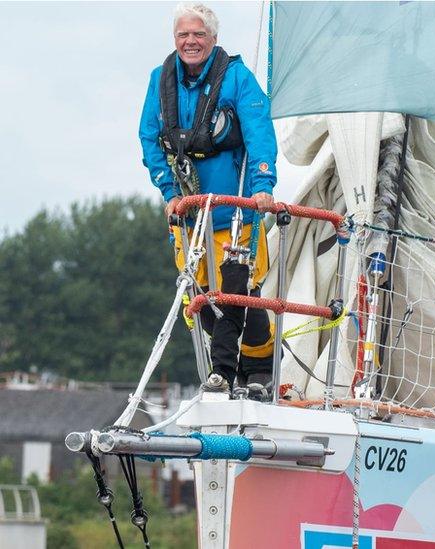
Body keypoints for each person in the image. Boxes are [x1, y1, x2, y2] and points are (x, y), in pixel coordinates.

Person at [139, 3, 278, 392]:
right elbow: (149, 137)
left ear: (213, 39)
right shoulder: (160, 80)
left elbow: (258, 131)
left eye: (198, 34)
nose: (190, 41)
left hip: (236, 210)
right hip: (190, 217)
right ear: (174, 40)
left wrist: (264, 183)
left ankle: (247, 370)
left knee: (240, 293)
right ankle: (231, 368)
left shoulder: (237, 78)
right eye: (183, 35)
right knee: (199, 301)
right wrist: (168, 190)